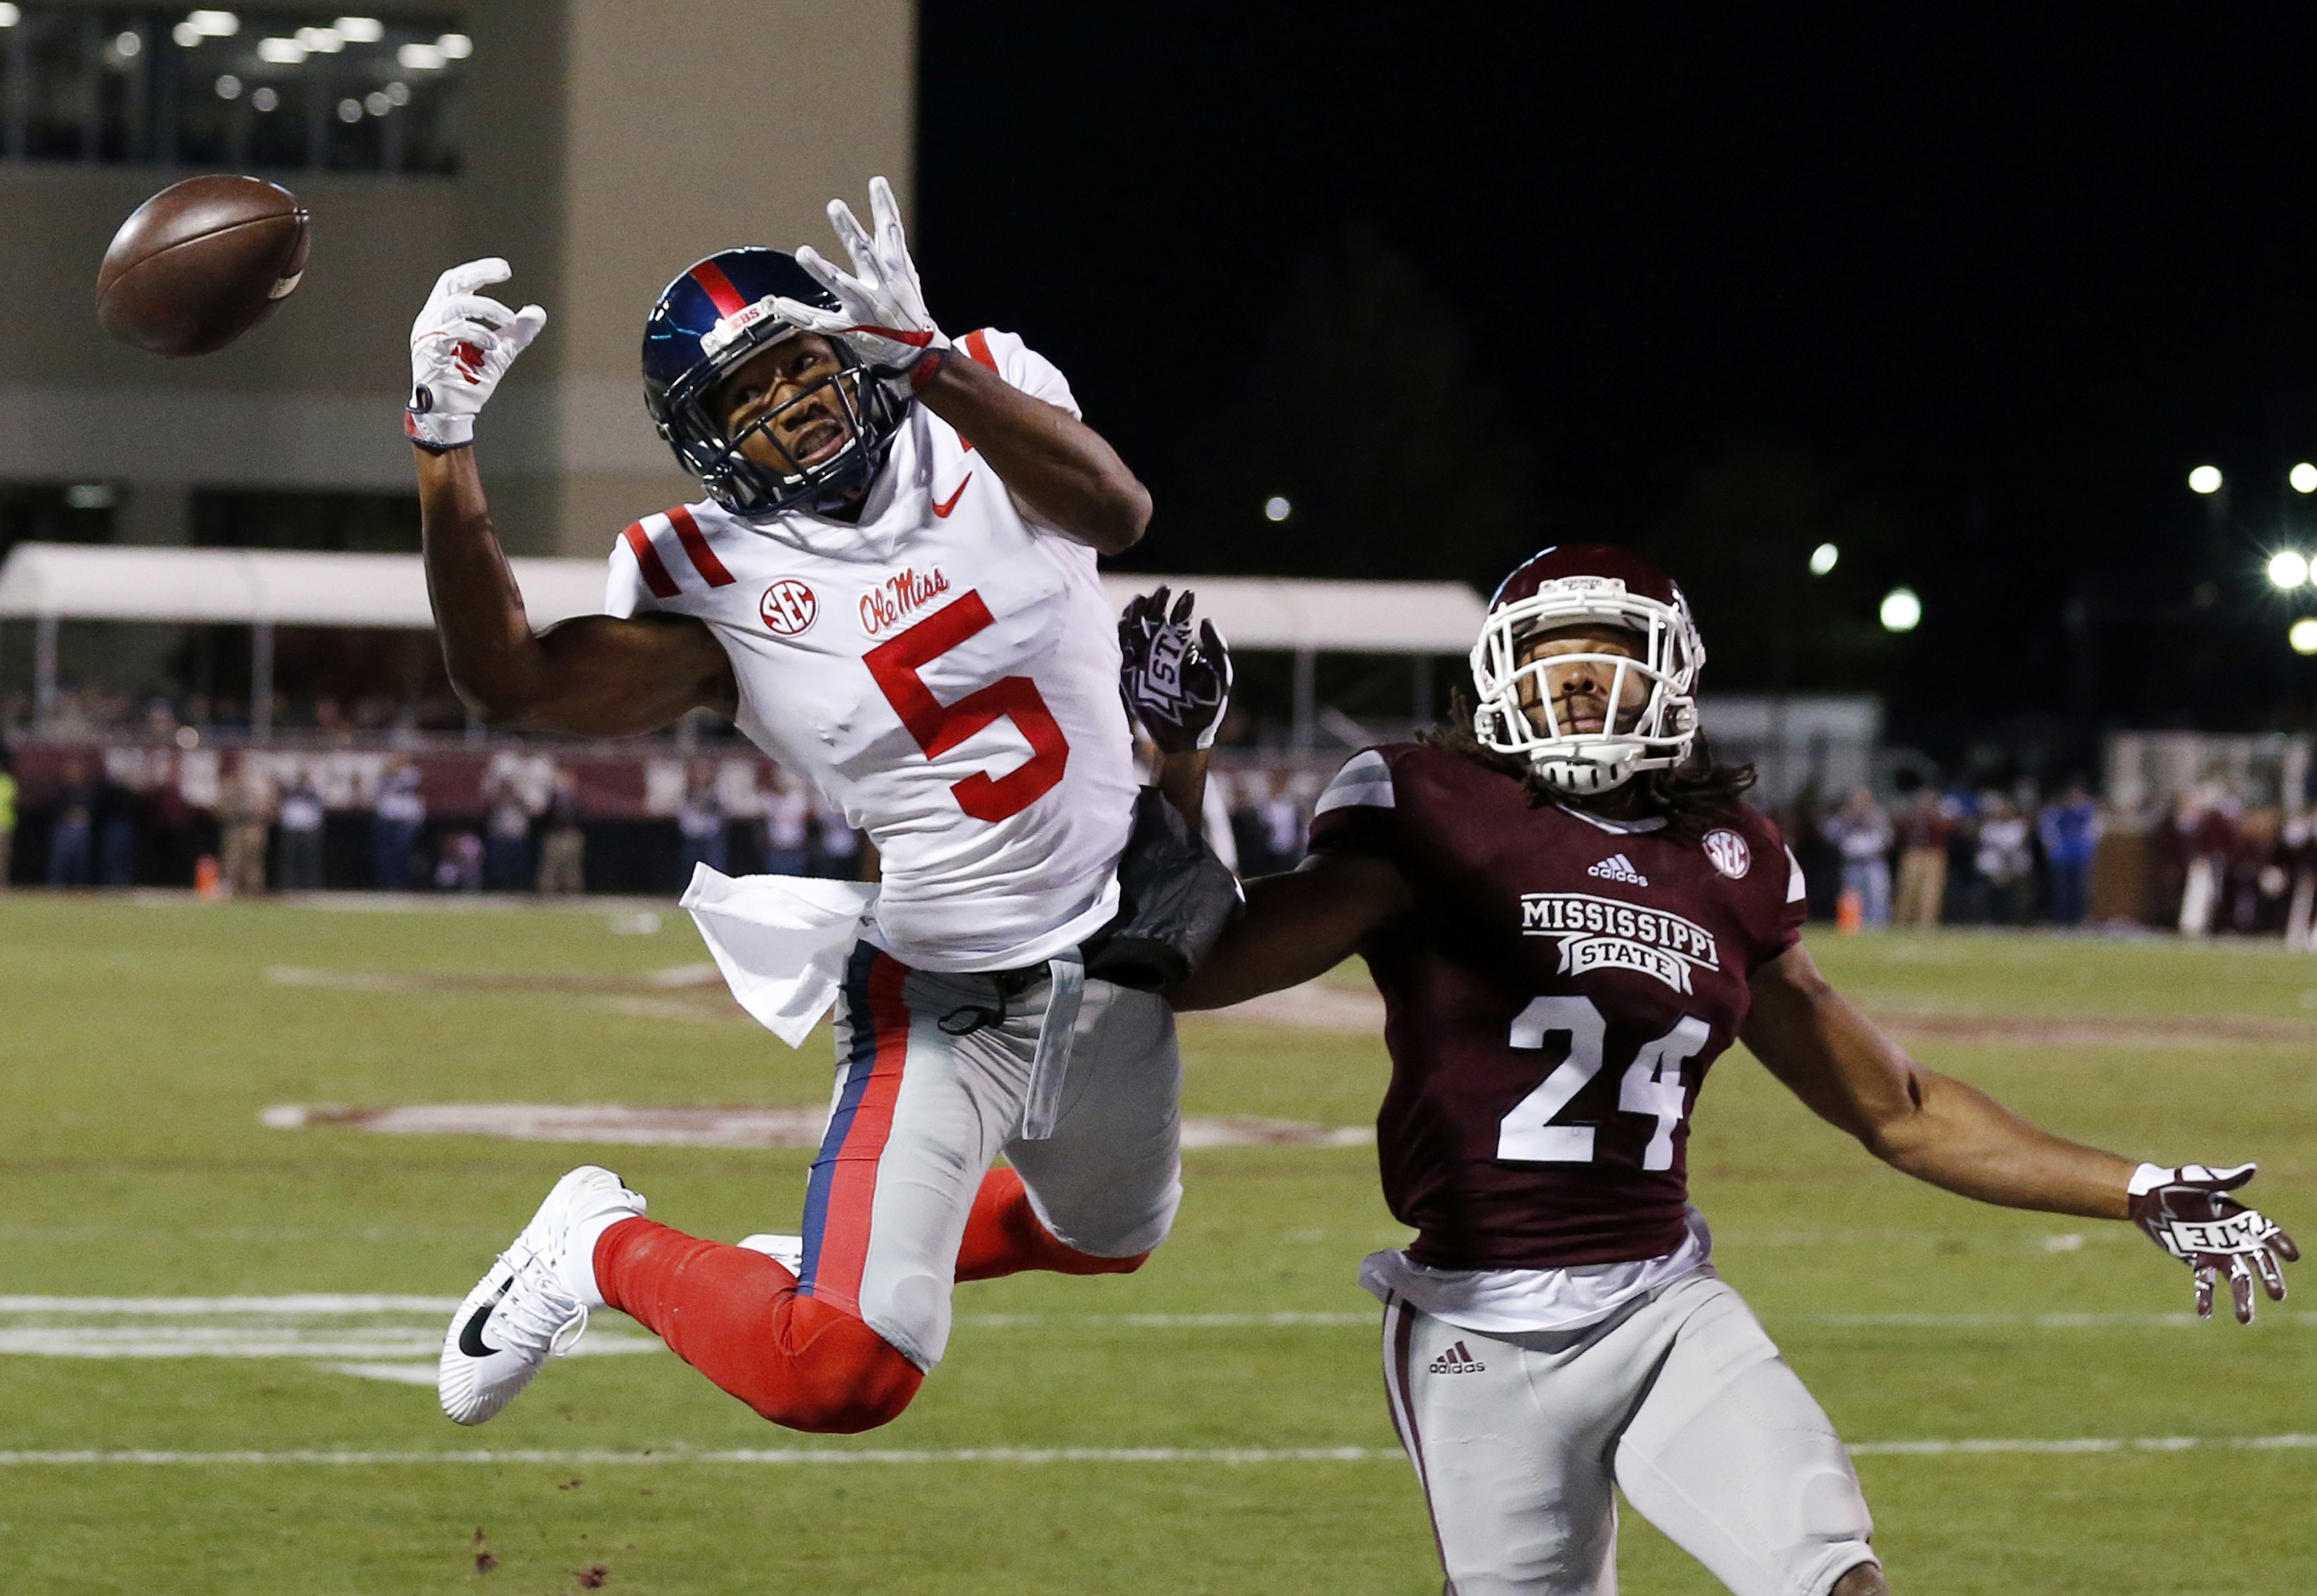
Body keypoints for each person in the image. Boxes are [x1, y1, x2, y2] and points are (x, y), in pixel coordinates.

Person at [1167, 544, 2298, 1596]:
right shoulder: (1427, 808)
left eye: (1607, 648)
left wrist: (2136, 1185)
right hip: (1475, 1322)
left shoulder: (1733, 858)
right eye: (1552, 652)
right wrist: (1181, 764)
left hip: (1663, 1306)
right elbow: (1199, 964)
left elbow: (1898, 1110)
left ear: (1672, 675)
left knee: (1834, 1576)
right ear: (1498, 675)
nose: (1576, 678)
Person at [404, 182, 1229, 1439]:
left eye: (797, 363)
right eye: (744, 395)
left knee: (1109, 1233)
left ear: (848, 354)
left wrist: (936, 366)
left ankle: (829, 1251)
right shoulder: (717, 581)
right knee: (835, 1371)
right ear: (707, 439)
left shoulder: (981, 402)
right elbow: (508, 682)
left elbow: (1118, 512)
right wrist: (442, 447)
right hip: (952, 985)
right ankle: (595, 1243)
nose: (785, 400)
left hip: (1117, 948)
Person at [1821, 786, 1892, 927]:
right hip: (1852, 864)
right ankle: (1852, 924)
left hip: (1873, 863)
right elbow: (1828, 833)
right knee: (1851, 897)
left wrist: (1872, 845)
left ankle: (1877, 926)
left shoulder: (1877, 817)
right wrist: (1845, 817)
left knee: (1877, 897)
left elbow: (1888, 838)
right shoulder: (1845, 817)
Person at [2038, 781, 2101, 927]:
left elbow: (2095, 832)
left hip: (2080, 856)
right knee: (2061, 889)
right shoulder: (2056, 812)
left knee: (2079, 889)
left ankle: (2079, 919)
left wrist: (2088, 849)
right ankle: (2061, 919)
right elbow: (2048, 833)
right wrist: (2053, 849)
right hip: (2061, 857)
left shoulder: (2088, 813)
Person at [1891, 786, 1950, 928]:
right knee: (1908, 889)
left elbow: (1947, 830)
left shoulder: (1940, 815)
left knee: (1930, 891)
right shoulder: (1911, 817)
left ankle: (1926, 925)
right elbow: (1900, 833)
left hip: (1933, 854)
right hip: (1913, 853)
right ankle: (1901, 922)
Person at [372, 758, 428, 892]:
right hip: (388, 816)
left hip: (406, 817)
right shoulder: (385, 772)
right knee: (386, 854)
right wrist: (389, 770)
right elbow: (381, 784)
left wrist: (398, 772)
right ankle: (387, 884)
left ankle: (402, 884)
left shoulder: (412, 772)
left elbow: (411, 783)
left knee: (403, 852)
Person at [536, 768, 587, 895]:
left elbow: (580, 816)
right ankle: (547, 892)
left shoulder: (575, 800)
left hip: (571, 834)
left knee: (571, 866)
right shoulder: (552, 799)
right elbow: (546, 816)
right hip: (555, 834)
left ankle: (572, 892)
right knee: (551, 864)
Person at [45, 760, 94, 887]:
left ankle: (80, 887)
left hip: (81, 829)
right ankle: (56, 886)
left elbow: (91, 808)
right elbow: (55, 807)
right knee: (60, 861)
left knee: (80, 861)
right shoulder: (62, 789)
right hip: (64, 828)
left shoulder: (87, 790)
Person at [275, 774, 326, 892]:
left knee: (310, 861)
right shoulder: (289, 790)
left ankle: (311, 887)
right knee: (289, 861)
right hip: (291, 828)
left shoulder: (314, 790)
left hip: (309, 829)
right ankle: (288, 887)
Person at [760, 767, 812, 876]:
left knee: (796, 878)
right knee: (776, 879)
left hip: (795, 845)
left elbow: (800, 811)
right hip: (777, 846)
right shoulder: (770, 799)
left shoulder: (797, 798)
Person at [0, 740, 17, 889]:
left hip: (4, 825)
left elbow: (13, 800)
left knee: (3, 857)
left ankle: (2, 884)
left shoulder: (8, 781)